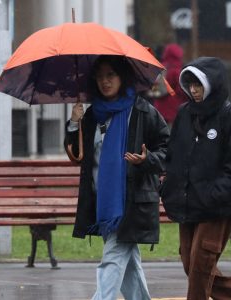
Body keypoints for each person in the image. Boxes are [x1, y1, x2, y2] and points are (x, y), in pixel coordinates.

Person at [64, 55, 169, 300]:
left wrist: (146, 160)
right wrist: (73, 123)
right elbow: (77, 155)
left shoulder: (142, 111)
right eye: (100, 76)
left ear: (123, 77)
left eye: (111, 75)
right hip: (103, 201)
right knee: (128, 264)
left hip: (130, 202)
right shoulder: (91, 115)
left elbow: (167, 150)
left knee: (112, 260)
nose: (105, 81)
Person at [160, 57, 231, 300]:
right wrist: (166, 184)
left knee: (200, 268)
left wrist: (214, 195)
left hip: (216, 207)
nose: (193, 91)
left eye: (199, 85)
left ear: (212, 84)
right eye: (190, 85)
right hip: (188, 204)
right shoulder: (184, 113)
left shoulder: (228, 116)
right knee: (190, 264)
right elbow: (174, 154)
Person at [153, 43, 187, 128]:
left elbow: (155, 90)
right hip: (173, 112)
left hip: (159, 110)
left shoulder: (161, 67)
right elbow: (182, 91)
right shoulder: (177, 71)